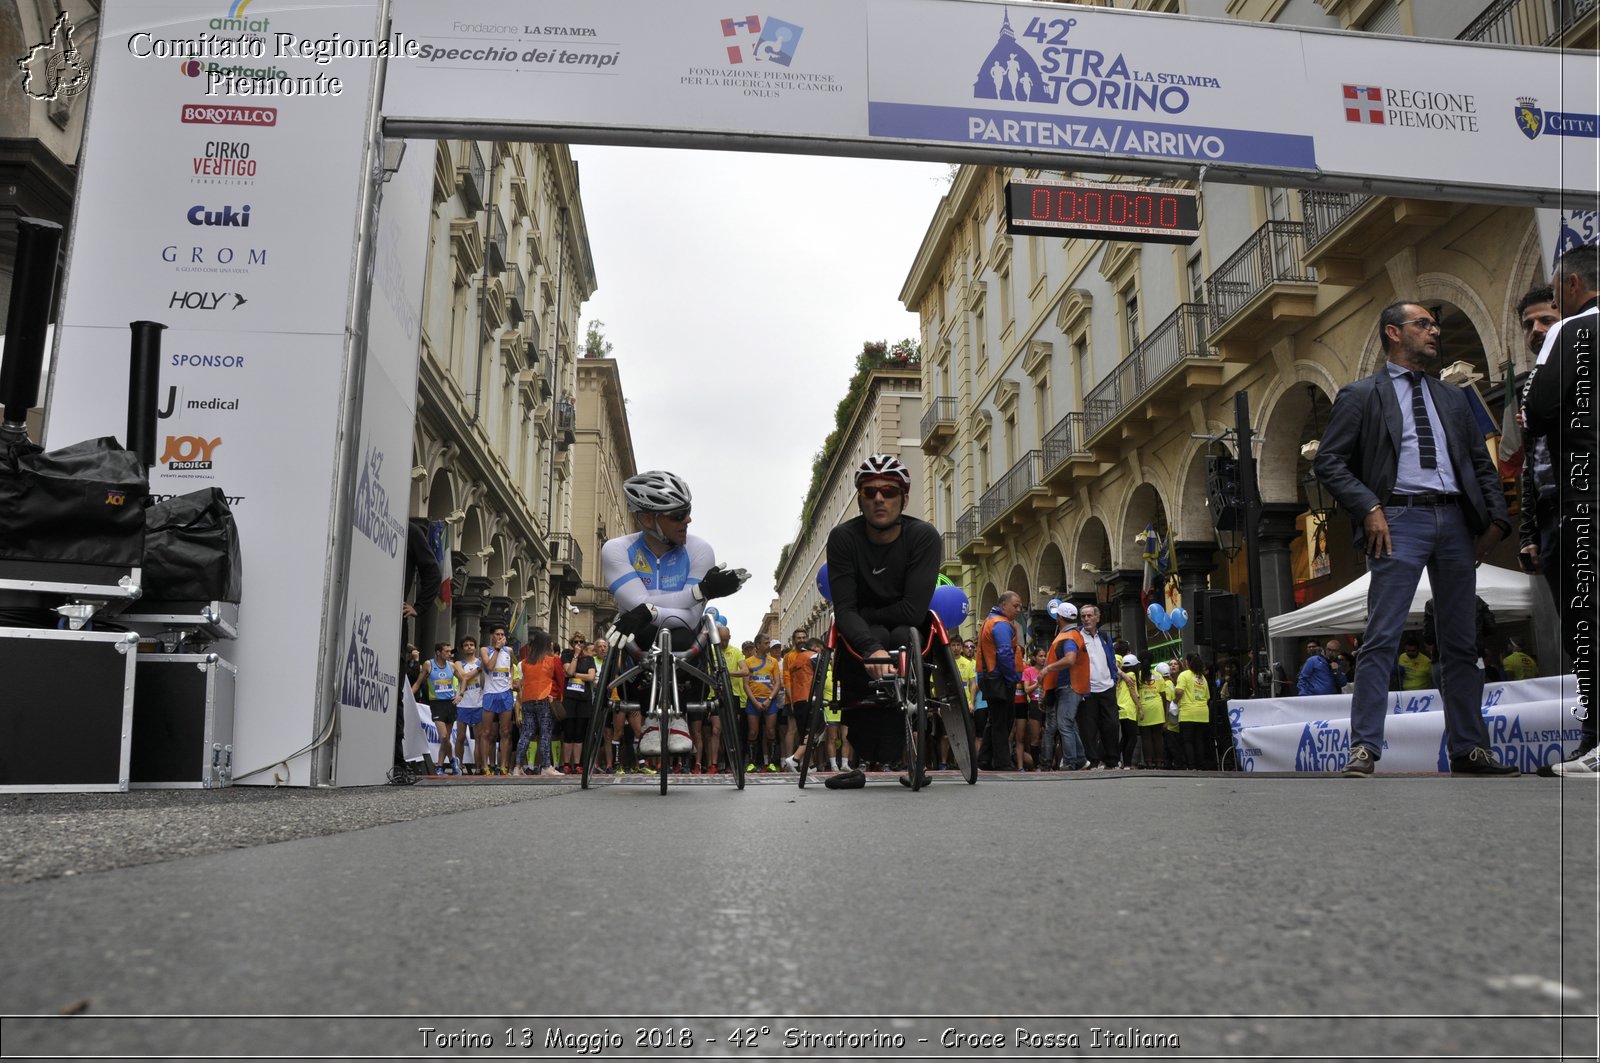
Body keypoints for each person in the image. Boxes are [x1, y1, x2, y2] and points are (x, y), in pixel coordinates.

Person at [1313, 300, 1518, 776]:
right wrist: (1369, 507)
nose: (1433, 331)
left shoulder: (1452, 398)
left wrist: (1497, 523)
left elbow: (1480, 463)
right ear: (1393, 333)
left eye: (1434, 325)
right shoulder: (1361, 395)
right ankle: (1364, 747)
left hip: (1455, 523)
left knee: (1462, 641)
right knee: (1382, 637)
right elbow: (1329, 462)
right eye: (1422, 324)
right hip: (1397, 519)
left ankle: (1469, 749)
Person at [599, 469, 748, 763]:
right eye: (678, 515)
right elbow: (636, 603)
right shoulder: (616, 550)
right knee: (653, 627)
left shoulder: (700, 549)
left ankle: (675, 717)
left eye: (688, 511)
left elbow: (690, 618)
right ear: (647, 519)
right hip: (637, 637)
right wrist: (698, 591)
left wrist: (649, 609)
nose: (688, 521)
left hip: (683, 636)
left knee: (675, 629)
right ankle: (653, 718)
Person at [818, 454, 942, 790]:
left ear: (904, 497)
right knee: (862, 633)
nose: (879, 499)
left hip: (904, 628)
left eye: (888, 491)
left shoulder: (924, 537)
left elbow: (914, 610)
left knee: (905, 632)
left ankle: (910, 744)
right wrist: (871, 648)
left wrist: (865, 616)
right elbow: (844, 610)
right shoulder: (843, 538)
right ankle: (859, 755)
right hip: (861, 635)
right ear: (860, 499)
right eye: (869, 492)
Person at [1522, 245, 1600, 774]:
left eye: (1554, 296)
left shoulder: (1570, 334)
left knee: (1587, 620)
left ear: (1572, 287)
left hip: (1585, 498)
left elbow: (1538, 410)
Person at [975, 591, 1025, 771]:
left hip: (989, 677)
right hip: (999, 678)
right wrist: (1012, 678)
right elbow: (1004, 653)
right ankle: (1002, 762)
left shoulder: (991, 621)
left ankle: (984, 759)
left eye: (1020, 606)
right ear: (1004, 606)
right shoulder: (1001, 624)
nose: (1019, 609)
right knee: (1002, 722)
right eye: (1016, 605)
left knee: (995, 720)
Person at [1038, 601, 1088, 770]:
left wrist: (1047, 669)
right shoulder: (1074, 634)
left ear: (1059, 618)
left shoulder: (1068, 637)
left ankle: (1070, 762)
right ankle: (1080, 759)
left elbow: (1070, 658)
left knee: (1065, 724)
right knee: (1070, 724)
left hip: (1069, 685)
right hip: (1070, 685)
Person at [1074, 604, 1122, 770]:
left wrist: (1114, 677)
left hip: (1107, 687)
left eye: (1089, 616)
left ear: (1097, 618)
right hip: (1088, 690)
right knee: (1088, 729)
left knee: (1112, 725)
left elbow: (1111, 658)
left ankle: (1112, 760)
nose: (1086, 619)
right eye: (1083, 616)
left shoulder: (1104, 636)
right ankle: (1092, 761)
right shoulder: (1076, 636)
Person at [515, 628, 563, 777]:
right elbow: (560, 682)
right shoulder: (553, 660)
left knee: (527, 733)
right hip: (544, 698)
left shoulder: (524, 663)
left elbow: (521, 683)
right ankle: (546, 766)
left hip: (527, 700)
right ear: (547, 645)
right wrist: (557, 696)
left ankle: (517, 767)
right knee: (545, 733)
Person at [479, 625, 518, 776]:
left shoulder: (509, 651)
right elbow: (489, 666)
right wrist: (496, 649)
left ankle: (503, 766)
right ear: (492, 636)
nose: (500, 637)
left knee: (506, 731)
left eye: (502, 634)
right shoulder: (485, 650)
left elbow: (512, 667)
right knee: (487, 732)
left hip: (505, 694)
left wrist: (510, 681)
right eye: (497, 634)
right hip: (490, 693)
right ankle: (485, 766)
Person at [559, 634, 596, 775]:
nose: (578, 644)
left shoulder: (589, 658)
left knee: (580, 733)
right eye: (576, 642)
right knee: (569, 732)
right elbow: (568, 671)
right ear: (571, 643)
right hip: (569, 698)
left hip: (584, 699)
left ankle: (578, 763)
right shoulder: (567, 655)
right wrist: (575, 656)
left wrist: (575, 675)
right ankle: (567, 763)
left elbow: (591, 677)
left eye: (581, 642)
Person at [744, 639, 782, 772]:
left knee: (771, 731)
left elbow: (778, 683)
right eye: (765, 643)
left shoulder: (774, 661)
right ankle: (752, 763)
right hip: (753, 701)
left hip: (770, 701)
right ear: (758, 645)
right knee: (753, 732)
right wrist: (754, 701)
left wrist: (769, 699)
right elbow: (745, 684)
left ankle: (771, 763)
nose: (768, 645)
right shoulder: (748, 662)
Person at [423, 642, 461, 775]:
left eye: (450, 651)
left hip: (450, 703)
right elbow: (418, 681)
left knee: (446, 739)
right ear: (438, 652)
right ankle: (452, 760)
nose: (450, 654)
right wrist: (408, 695)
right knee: (444, 736)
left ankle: (439, 766)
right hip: (437, 704)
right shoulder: (429, 664)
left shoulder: (452, 665)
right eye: (446, 651)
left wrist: (460, 695)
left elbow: (464, 679)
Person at [454, 636, 484, 774]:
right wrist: (478, 670)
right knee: (460, 737)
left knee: (478, 738)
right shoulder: (458, 664)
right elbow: (464, 677)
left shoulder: (481, 661)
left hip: (478, 703)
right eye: (466, 645)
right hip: (463, 704)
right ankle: (458, 765)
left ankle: (479, 767)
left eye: (471, 645)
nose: (469, 647)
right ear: (462, 648)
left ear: (475, 647)